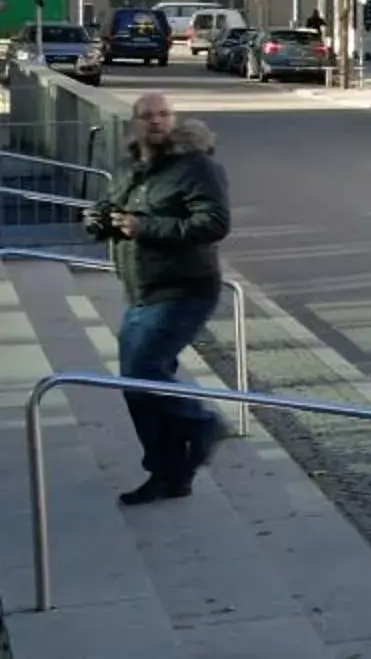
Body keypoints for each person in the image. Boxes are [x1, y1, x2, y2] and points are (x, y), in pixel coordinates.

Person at [84, 94, 231, 505]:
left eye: (164, 115)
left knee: (143, 370)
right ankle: (170, 473)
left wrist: (144, 228)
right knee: (136, 386)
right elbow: (115, 210)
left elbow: (214, 223)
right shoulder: (130, 167)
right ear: (134, 124)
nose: (156, 122)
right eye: (147, 116)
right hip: (141, 288)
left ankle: (203, 424)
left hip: (186, 287)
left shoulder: (197, 166)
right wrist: (98, 220)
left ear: (173, 120)